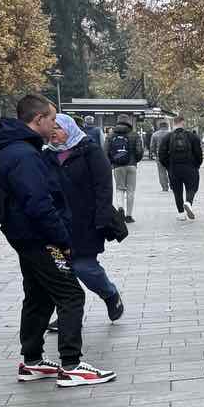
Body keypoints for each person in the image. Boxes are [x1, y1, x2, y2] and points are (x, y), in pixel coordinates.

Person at [0, 94, 115, 388]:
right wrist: (62, 238)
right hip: (41, 238)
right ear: (38, 120)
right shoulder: (24, 155)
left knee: (38, 295)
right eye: (53, 119)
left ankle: (31, 361)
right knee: (71, 295)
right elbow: (38, 203)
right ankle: (71, 365)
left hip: (25, 237)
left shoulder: (12, 150)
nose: (56, 125)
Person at [48, 114, 124, 322]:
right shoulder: (46, 155)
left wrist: (102, 218)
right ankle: (69, 315)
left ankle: (109, 293)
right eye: (51, 127)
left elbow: (104, 187)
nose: (54, 132)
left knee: (84, 267)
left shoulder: (89, 150)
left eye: (59, 128)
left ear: (70, 129)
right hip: (57, 223)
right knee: (61, 271)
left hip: (87, 222)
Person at [159, 115, 203, 222]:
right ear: (183, 123)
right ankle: (188, 202)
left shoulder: (167, 137)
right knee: (192, 187)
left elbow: (161, 154)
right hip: (190, 167)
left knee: (177, 191)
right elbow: (199, 154)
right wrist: (196, 165)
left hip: (174, 168)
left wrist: (168, 166)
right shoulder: (192, 136)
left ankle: (181, 213)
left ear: (174, 123)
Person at [105, 118, 144, 222]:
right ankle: (129, 215)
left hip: (117, 166)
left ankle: (120, 208)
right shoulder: (134, 135)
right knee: (131, 190)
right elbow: (139, 150)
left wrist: (111, 162)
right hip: (132, 165)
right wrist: (136, 160)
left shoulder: (111, 135)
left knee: (119, 188)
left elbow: (105, 151)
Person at [149, 122, 171, 193]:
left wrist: (154, 154)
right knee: (171, 171)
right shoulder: (171, 134)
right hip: (170, 155)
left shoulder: (155, 134)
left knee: (161, 172)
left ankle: (165, 187)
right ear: (167, 126)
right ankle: (172, 185)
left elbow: (152, 146)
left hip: (160, 155)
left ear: (159, 127)